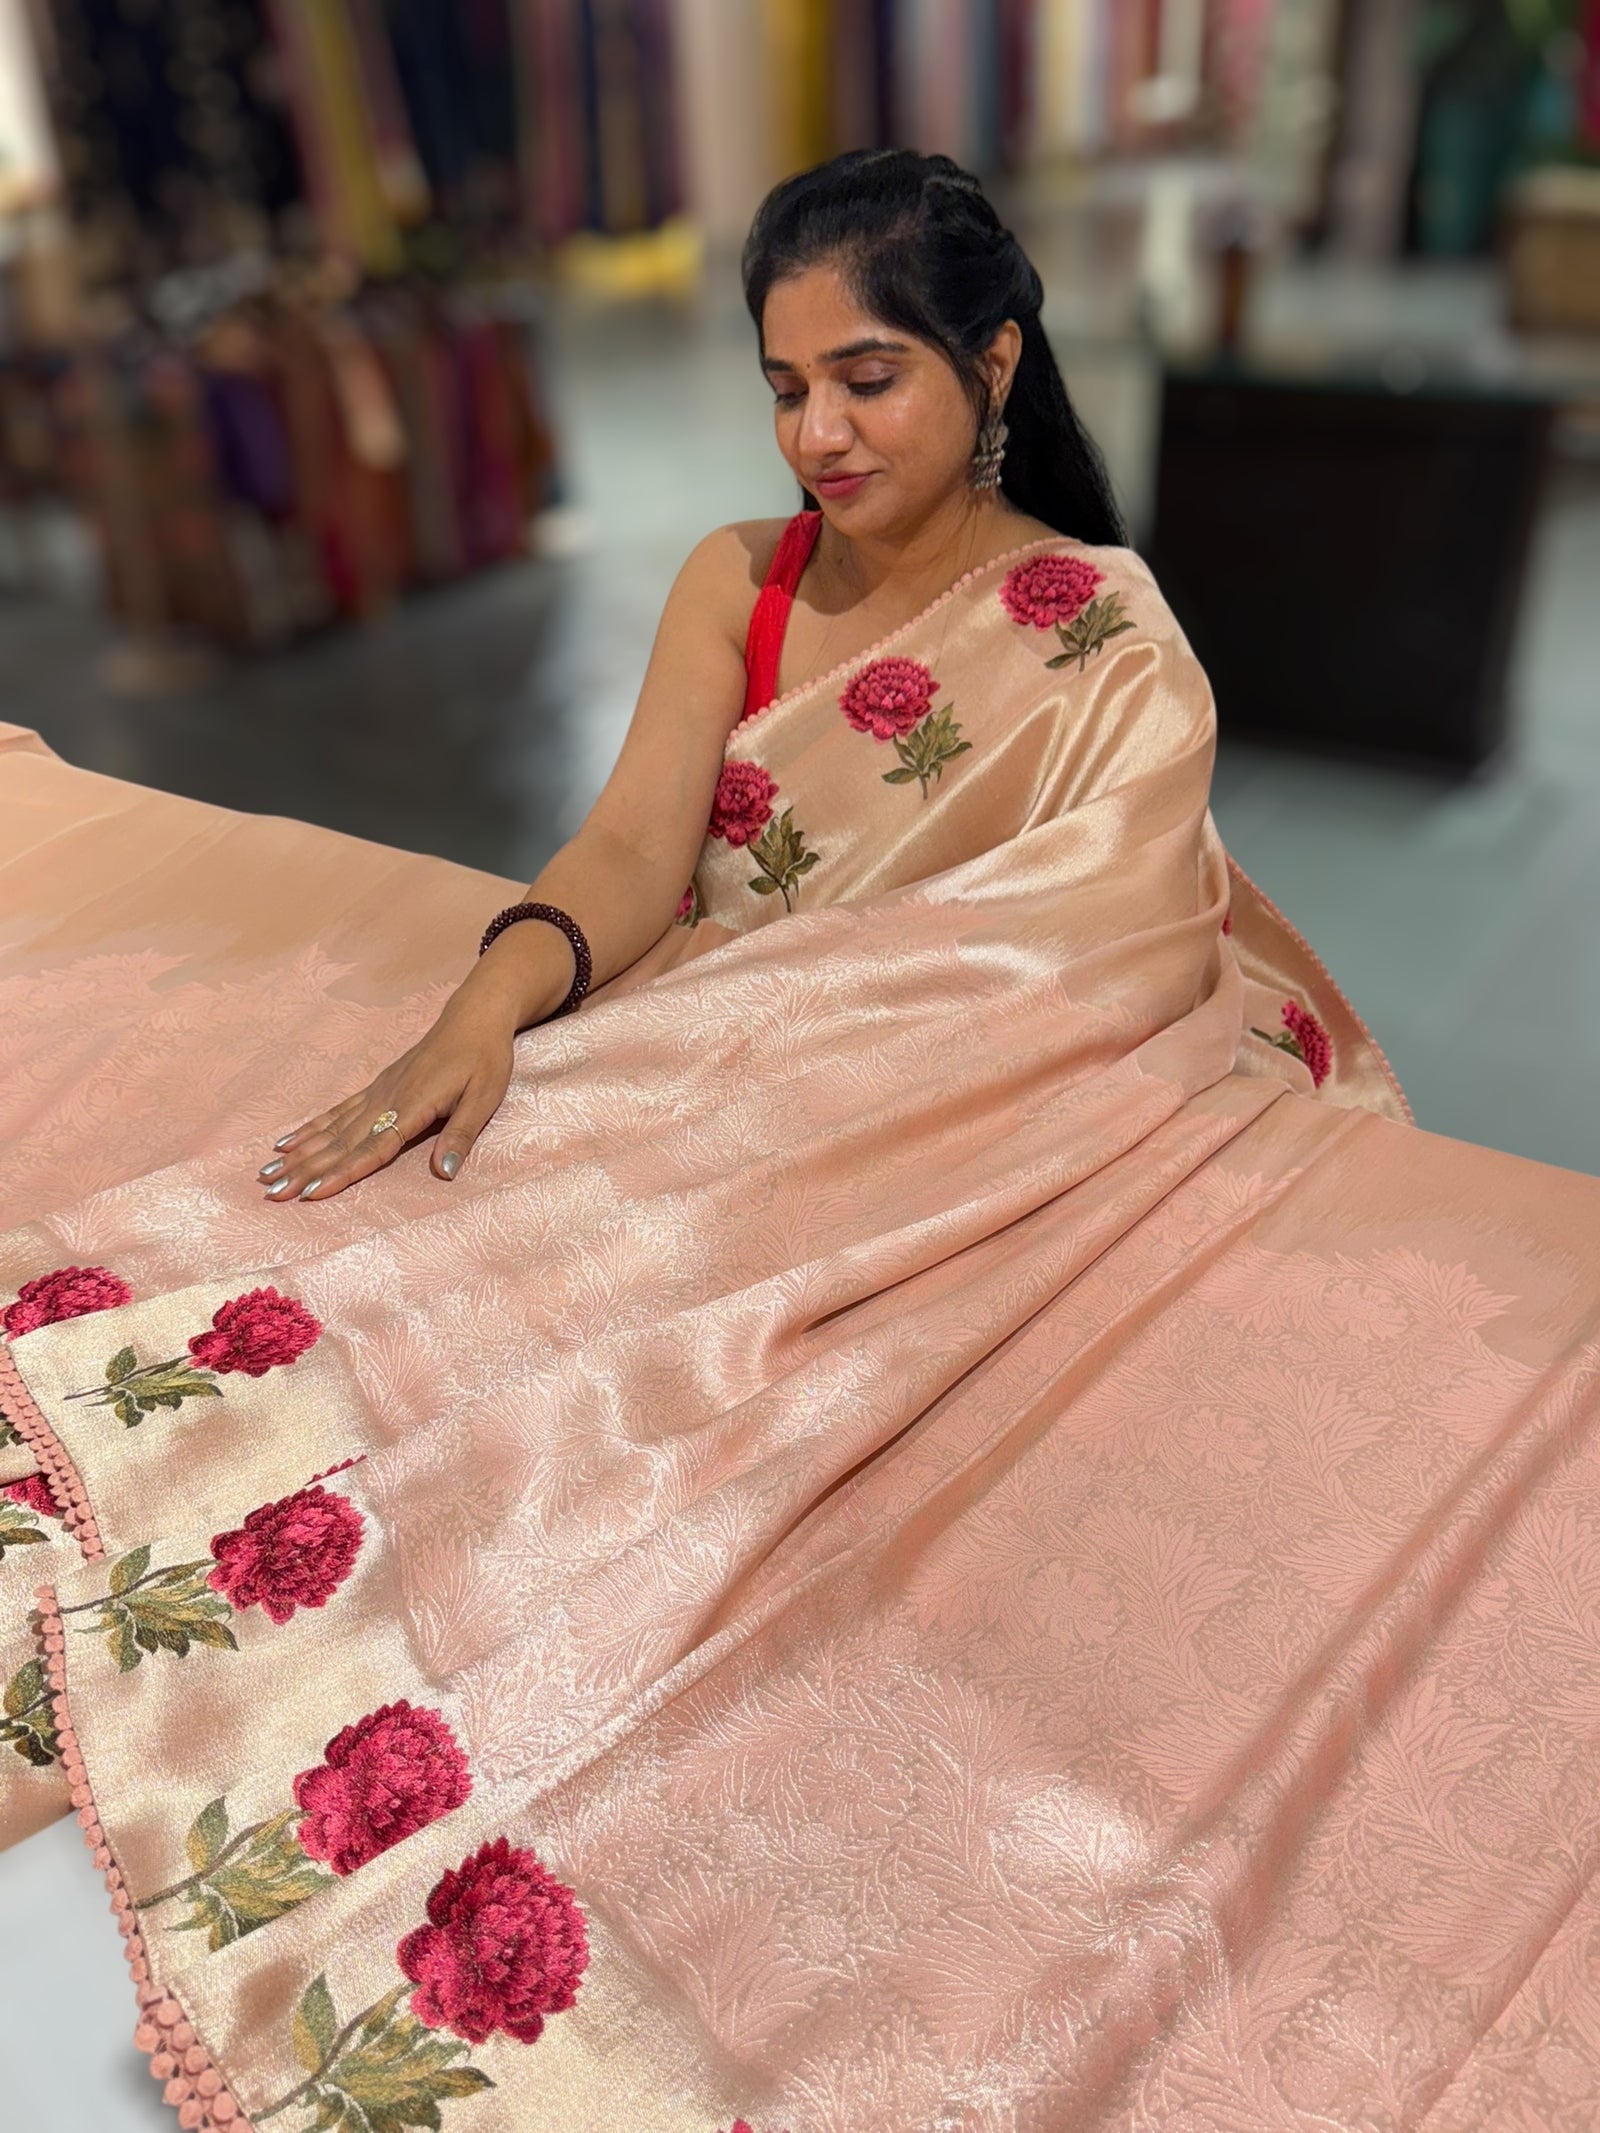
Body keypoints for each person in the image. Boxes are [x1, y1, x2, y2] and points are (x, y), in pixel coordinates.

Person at [1, 149, 1596, 2133]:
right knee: (379, 1297)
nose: (816, 434)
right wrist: (490, 1004)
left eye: (866, 377)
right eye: (783, 387)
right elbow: (629, 848)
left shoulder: (1101, 645)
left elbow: (1073, 970)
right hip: (712, 1061)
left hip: (892, 1107)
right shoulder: (739, 581)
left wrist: (769, 1075)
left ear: (991, 361)